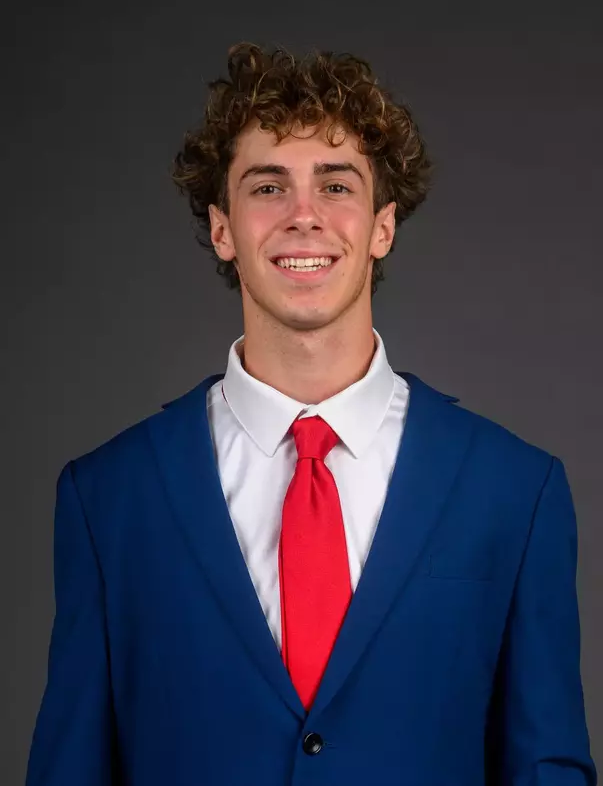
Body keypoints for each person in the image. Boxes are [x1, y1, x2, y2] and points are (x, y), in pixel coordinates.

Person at [26, 42, 597, 786]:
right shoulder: (107, 497)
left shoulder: (515, 491)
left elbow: (545, 768)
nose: (303, 215)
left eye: (335, 185)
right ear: (223, 228)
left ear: (381, 226)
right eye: (267, 187)